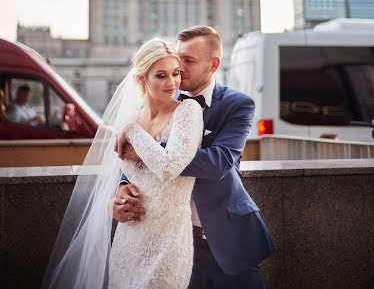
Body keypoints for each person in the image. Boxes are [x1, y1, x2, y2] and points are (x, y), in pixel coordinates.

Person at [113, 25, 276, 288]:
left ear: (213, 64)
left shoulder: (238, 105)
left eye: (188, 60)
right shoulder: (159, 99)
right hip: (172, 242)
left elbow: (219, 162)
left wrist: (151, 154)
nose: (180, 67)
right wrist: (123, 187)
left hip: (225, 239)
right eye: (179, 58)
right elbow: (133, 158)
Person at [41, 39, 203, 289]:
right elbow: (122, 176)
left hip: (169, 243)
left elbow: (169, 167)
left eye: (176, 73)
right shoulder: (129, 118)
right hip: (129, 239)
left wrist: (133, 132)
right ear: (142, 80)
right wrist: (114, 204)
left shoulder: (188, 111)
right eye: (161, 75)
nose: (172, 83)